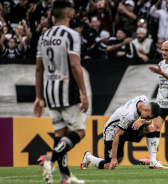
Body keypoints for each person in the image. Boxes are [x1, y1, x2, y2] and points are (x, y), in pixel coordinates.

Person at [33, 0, 89, 183]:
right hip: (66, 90)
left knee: (60, 134)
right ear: (70, 14)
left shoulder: (44, 36)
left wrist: (39, 97)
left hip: (49, 92)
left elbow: (39, 69)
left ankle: (65, 176)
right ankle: (50, 159)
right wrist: (83, 92)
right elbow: (74, 64)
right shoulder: (71, 35)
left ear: (53, 15)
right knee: (79, 131)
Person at [80, 95, 168, 170]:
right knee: (109, 166)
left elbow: (149, 122)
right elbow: (117, 135)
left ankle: (153, 162)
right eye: (148, 117)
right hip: (112, 131)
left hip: (125, 127)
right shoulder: (129, 114)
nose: (148, 119)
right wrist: (114, 158)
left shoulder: (144, 100)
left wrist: (141, 122)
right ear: (146, 109)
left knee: (150, 127)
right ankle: (88, 157)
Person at [140, 40, 168, 166]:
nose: (163, 52)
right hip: (161, 103)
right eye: (162, 50)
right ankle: (151, 157)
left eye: (166, 50)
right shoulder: (161, 63)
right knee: (155, 127)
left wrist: (162, 73)